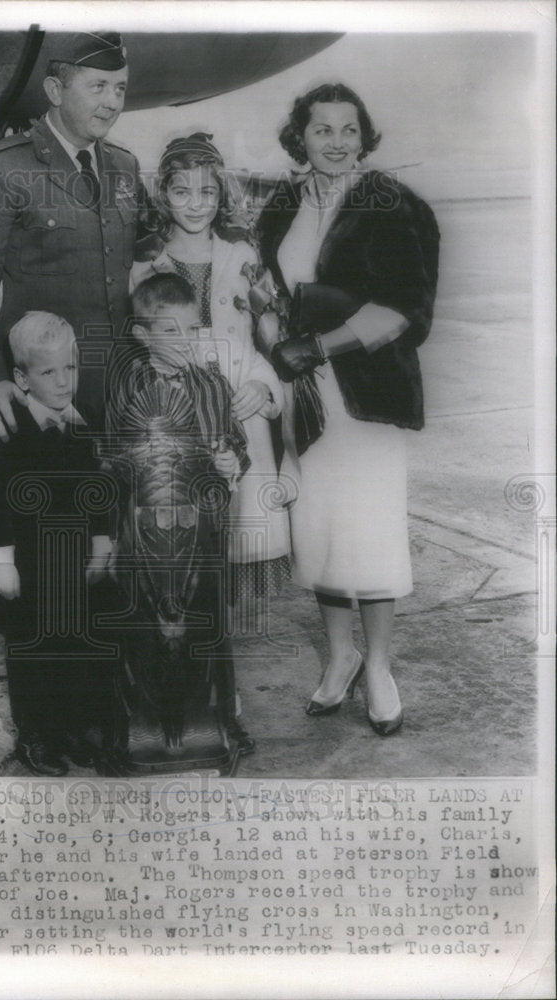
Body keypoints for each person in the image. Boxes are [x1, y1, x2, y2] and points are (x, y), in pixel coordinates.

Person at [257, 83, 439, 736]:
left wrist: (320, 346)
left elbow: (409, 308)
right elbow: (268, 289)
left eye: (347, 129)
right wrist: (273, 336)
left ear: (363, 137)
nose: (335, 141)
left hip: (366, 394)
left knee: (370, 533)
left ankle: (381, 666)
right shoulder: (280, 205)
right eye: (321, 129)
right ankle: (339, 658)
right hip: (303, 398)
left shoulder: (393, 205)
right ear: (298, 138)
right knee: (322, 531)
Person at [0, 31, 143, 446]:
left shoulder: (125, 167)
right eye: (98, 86)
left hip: (118, 397)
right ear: (55, 89)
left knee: (116, 510)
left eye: (120, 88)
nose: (112, 102)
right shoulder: (4, 168)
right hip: (37, 403)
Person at [131, 133, 293, 608]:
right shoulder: (145, 261)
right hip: (178, 415)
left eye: (207, 192)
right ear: (163, 194)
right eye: (182, 192)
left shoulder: (243, 253)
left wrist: (265, 389)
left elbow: (267, 338)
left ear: (221, 194)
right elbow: (138, 342)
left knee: (241, 534)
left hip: (240, 408)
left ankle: (222, 666)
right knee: (185, 534)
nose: (195, 204)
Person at [104, 272, 255, 762]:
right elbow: (110, 461)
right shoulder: (123, 387)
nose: (185, 343)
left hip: (204, 540)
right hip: (144, 543)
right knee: (146, 631)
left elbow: (236, 441)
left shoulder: (211, 383)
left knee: (210, 628)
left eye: (192, 331)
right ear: (141, 333)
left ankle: (223, 720)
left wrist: (231, 460)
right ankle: (142, 721)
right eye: (170, 332)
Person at [0, 311, 115, 776]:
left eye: (70, 369)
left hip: (76, 563)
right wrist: (2, 562)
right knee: (34, 652)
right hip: (32, 566)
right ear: (21, 378)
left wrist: (101, 542)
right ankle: (36, 735)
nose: (62, 382)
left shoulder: (84, 422)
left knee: (78, 647)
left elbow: (101, 492)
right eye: (48, 372)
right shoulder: (12, 432)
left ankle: (74, 728)